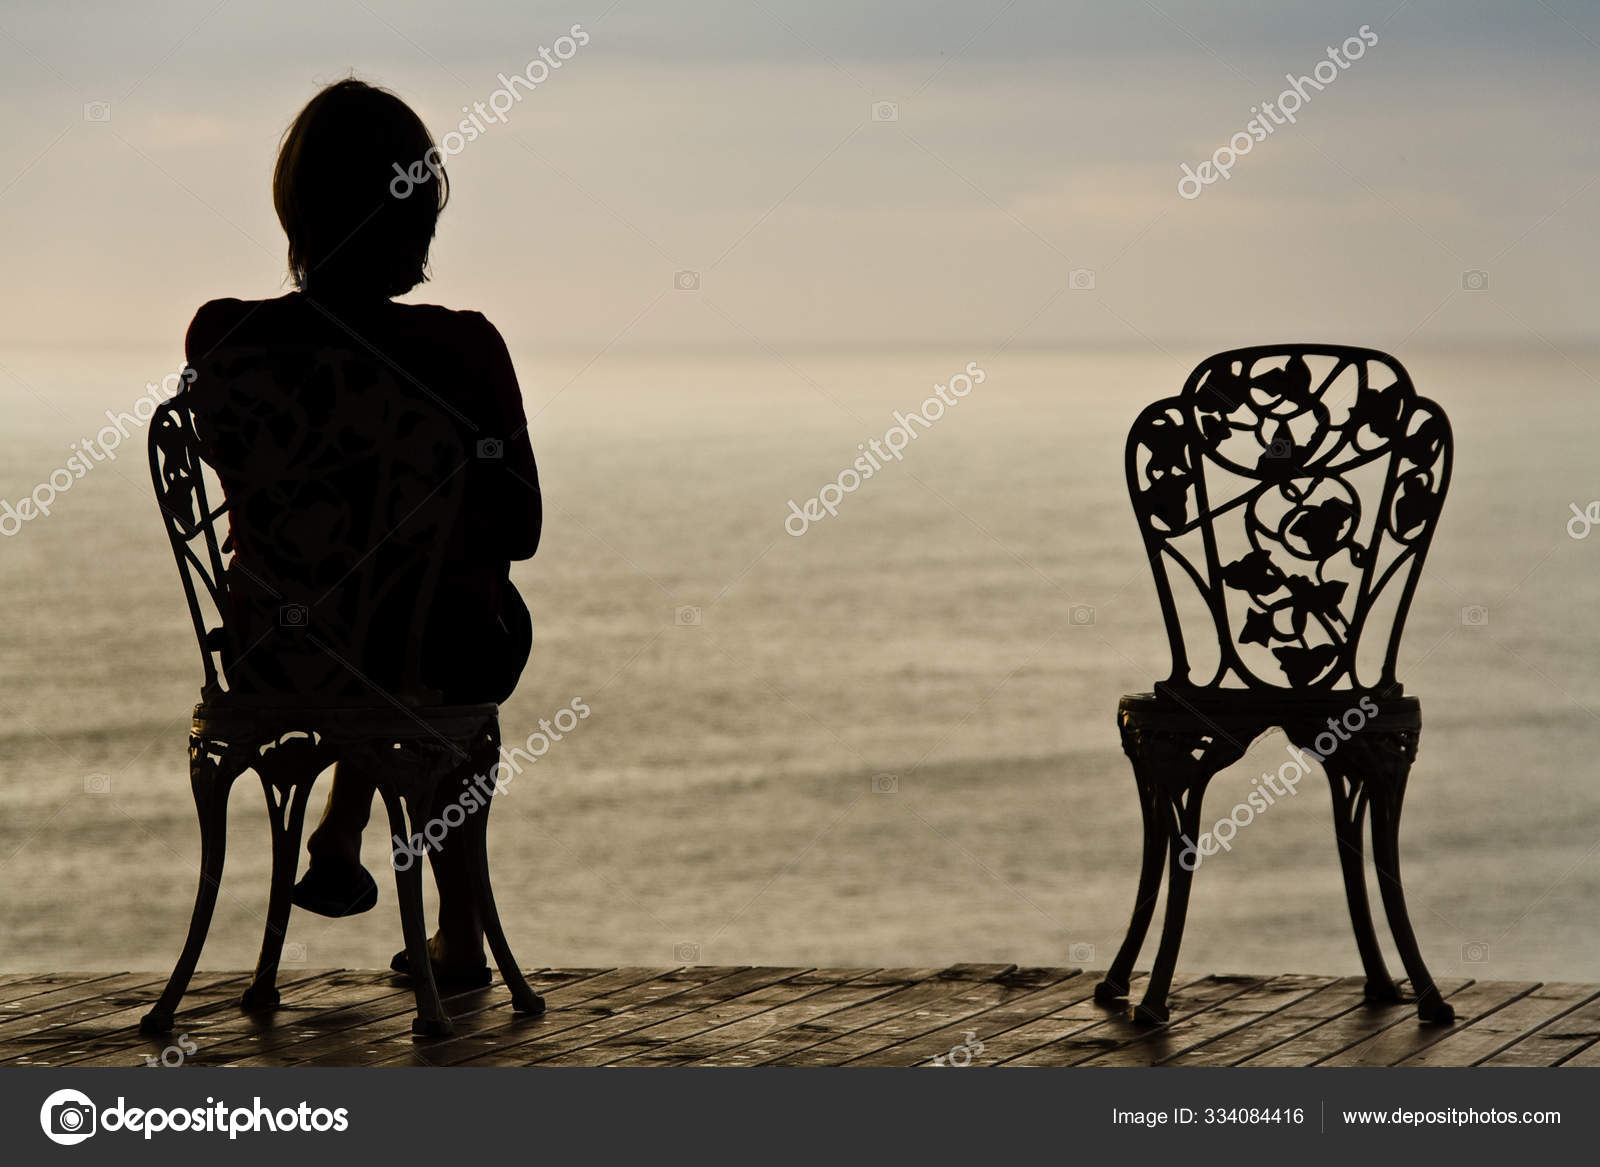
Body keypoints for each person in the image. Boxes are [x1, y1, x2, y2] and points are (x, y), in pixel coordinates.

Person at [183, 78, 541, 985]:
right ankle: (456, 934)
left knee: (376, 613)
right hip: (425, 650)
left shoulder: (222, 337)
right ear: (416, 216)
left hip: (274, 652)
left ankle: (341, 830)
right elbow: (523, 525)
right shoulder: (461, 349)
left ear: (294, 210)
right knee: (472, 609)